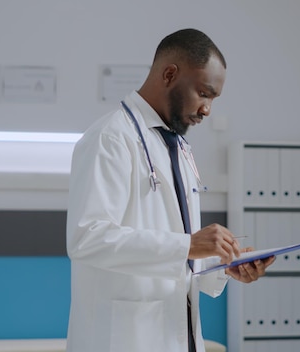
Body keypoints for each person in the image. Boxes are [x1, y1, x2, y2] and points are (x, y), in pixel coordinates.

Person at [65, 28, 275, 352]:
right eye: (203, 93)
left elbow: (178, 256)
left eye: (212, 99)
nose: (207, 109)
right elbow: (87, 238)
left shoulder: (177, 147)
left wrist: (223, 265)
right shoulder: (110, 138)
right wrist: (189, 245)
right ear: (169, 74)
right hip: (126, 338)